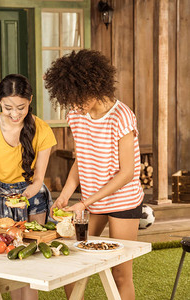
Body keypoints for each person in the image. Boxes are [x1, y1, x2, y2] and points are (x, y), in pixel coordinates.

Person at [44, 49, 144, 300]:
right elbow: (81, 159)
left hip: (123, 201)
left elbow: (127, 173)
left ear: (95, 85)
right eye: (71, 100)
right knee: (72, 265)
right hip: (90, 202)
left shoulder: (122, 116)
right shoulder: (76, 115)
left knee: (120, 273)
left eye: (80, 98)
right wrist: (65, 196)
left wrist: (85, 203)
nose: (76, 105)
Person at [0, 74, 57, 300]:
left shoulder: (42, 129)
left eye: (21, 107)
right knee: (3, 257)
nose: (15, 114)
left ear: (30, 101)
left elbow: (38, 179)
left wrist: (29, 192)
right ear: (0, 102)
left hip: (32, 196)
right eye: (8, 108)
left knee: (30, 255)